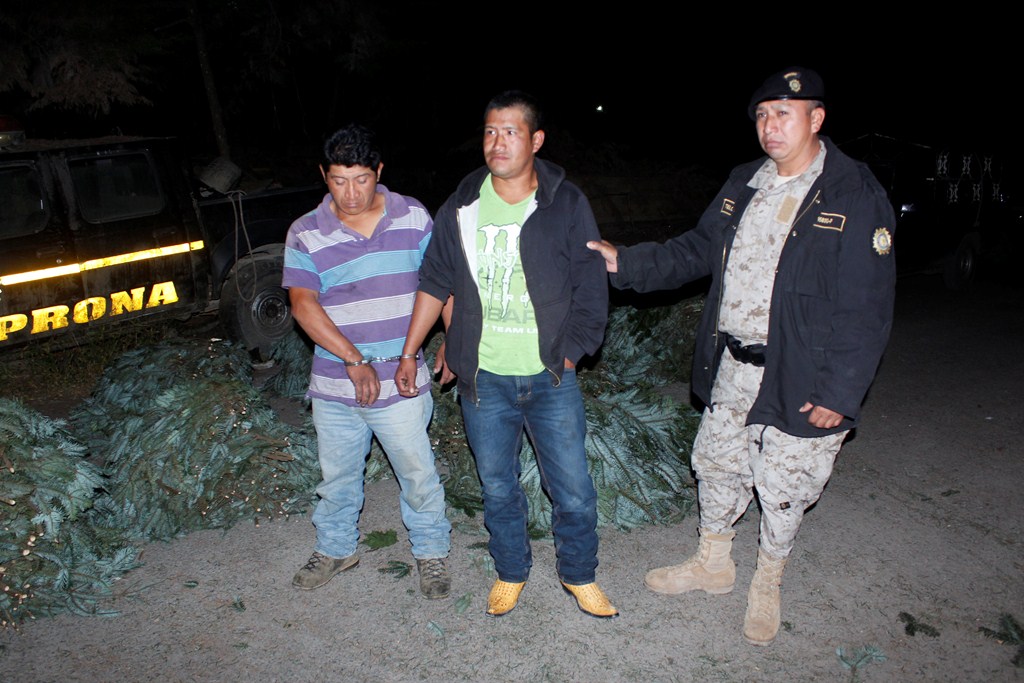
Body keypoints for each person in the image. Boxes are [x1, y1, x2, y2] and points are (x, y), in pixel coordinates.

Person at [587, 67, 896, 644]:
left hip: (803, 371)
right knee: (717, 463)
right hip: (734, 364)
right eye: (761, 114)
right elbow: (698, 249)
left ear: (816, 119)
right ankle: (714, 564)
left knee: (784, 484)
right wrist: (623, 262)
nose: (770, 126)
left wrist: (839, 393)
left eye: (784, 113)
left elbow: (868, 307)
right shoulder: (743, 182)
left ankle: (768, 581)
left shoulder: (853, 193)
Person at [394, 91, 617, 618]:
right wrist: (410, 352)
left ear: (536, 140)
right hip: (484, 378)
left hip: (549, 377)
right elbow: (435, 279)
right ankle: (511, 571)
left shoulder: (565, 202)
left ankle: (579, 575)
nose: (498, 142)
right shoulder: (463, 204)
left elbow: (591, 284)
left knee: (574, 490)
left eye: (511, 132)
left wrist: (573, 352)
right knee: (497, 486)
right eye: (491, 131)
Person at [282, 124, 452, 599]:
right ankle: (336, 548)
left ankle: (431, 552)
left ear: (379, 171)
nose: (351, 193)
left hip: (401, 378)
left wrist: (454, 341)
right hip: (336, 384)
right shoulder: (305, 232)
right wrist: (353, 359)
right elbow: (302, 304)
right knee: (336, 478)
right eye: (338, 180)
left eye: (361, 179)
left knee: (417, 473)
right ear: (323, 175)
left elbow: (439, 284)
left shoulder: (413, 216)